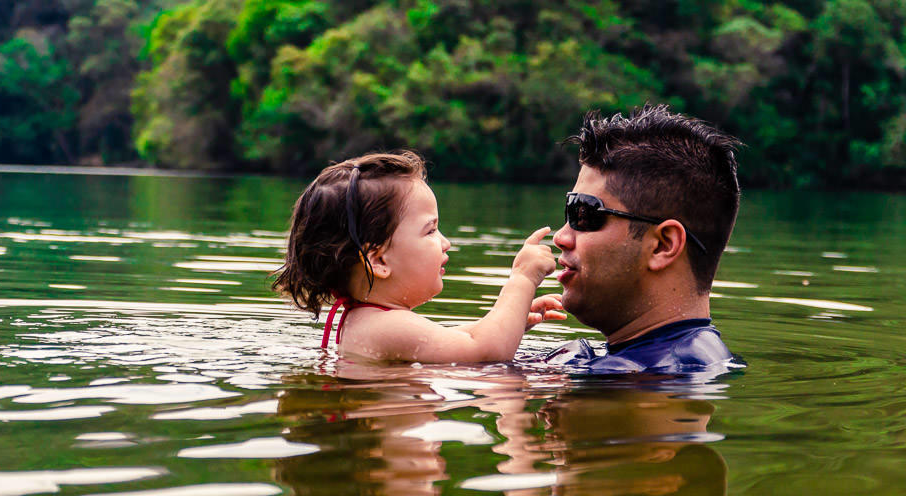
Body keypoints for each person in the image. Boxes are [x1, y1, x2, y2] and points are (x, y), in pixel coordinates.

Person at [274, 151, 564, 362]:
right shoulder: (386, 326)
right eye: (430, 231)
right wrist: (522, 279)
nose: (445, 243)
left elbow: (451, 340)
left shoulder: (368, 320)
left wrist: (511, 321)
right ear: (379, 261)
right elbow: (486, 352)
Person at [546, 105, 743, 374]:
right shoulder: (696, 357)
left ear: (663, 245)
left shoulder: (640, 379)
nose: (561, 237)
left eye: (584, 214)